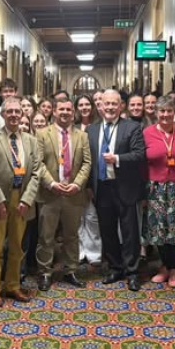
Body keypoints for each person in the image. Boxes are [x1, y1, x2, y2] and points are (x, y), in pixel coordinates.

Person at [0, 97, 41, 306]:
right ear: (3, 114)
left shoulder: (31, 140)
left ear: (22, 115)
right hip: (0, 200)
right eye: (10, 112)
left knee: (17, 245)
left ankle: (13, 285)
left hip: (22, 198)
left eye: (17, 111)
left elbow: (36, 173)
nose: (14, 115)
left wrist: (27, 199)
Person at [87, 90, 146, 291]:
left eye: (115, 104)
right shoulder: (91, 130)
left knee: (129, 232)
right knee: (107, 230)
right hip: (102, 187)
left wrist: (118, 159)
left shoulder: (132, 127)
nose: (110, 107)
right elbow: (89, 162)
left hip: (124, 186)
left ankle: (132, 271)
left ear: (121, 106)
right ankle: (115, 267)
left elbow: (139, 155)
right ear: (100, 106)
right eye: (107, 104)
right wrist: (89, 187)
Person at [35, 98, 92, 291]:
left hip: (73, 193)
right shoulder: (42, 134)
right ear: (54, 111)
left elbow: (86, 163)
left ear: (73, 112)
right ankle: (44, 272)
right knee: (46, 236)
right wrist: (51, 184)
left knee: (71, 235)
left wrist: (77, 184)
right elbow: (38, 163)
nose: (65, 112)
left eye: (69, 109)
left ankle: (71, 270)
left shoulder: (81, 136)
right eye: (62, 109)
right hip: (50, 193)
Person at [142, 96, 175, 287]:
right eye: (162, 111)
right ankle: (164, 266)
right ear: (156, 113)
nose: (165, 115)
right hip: (155, 187)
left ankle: (174, 268)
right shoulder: (147, 133)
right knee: (158, 229)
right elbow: (142, 162)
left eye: (169, 111)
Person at [74, 95, 102, 265]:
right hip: (75, 177)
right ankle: (79, 251)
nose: (84, 107)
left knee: (92, 217)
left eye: (87, 104)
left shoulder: (98, 126)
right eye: (81, 104)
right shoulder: (73, 126)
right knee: (77, 217)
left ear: (92, 106)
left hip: (94, 175)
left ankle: (94, 253)